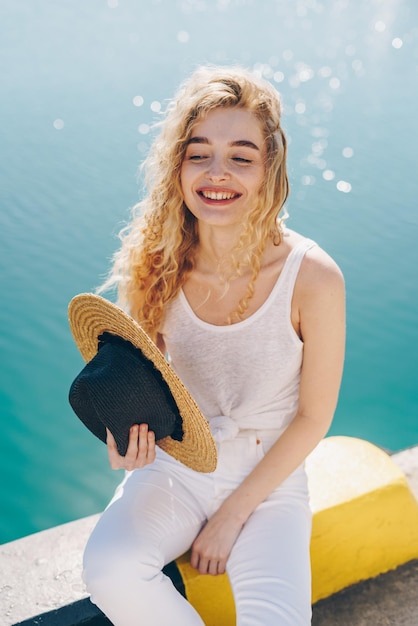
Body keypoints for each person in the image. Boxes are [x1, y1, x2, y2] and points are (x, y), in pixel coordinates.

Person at [81, 65, 346, 625]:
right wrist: (121, 440)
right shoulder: (155, 263)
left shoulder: (313, 277)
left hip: (267, 478)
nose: (216, 173)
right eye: (198, 153)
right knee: (110, 567)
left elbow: (313, 417)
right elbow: (141, 378)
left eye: (241, 156)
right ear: (177, 166)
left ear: (269, 170)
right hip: (176, 466)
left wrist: (231, 516)